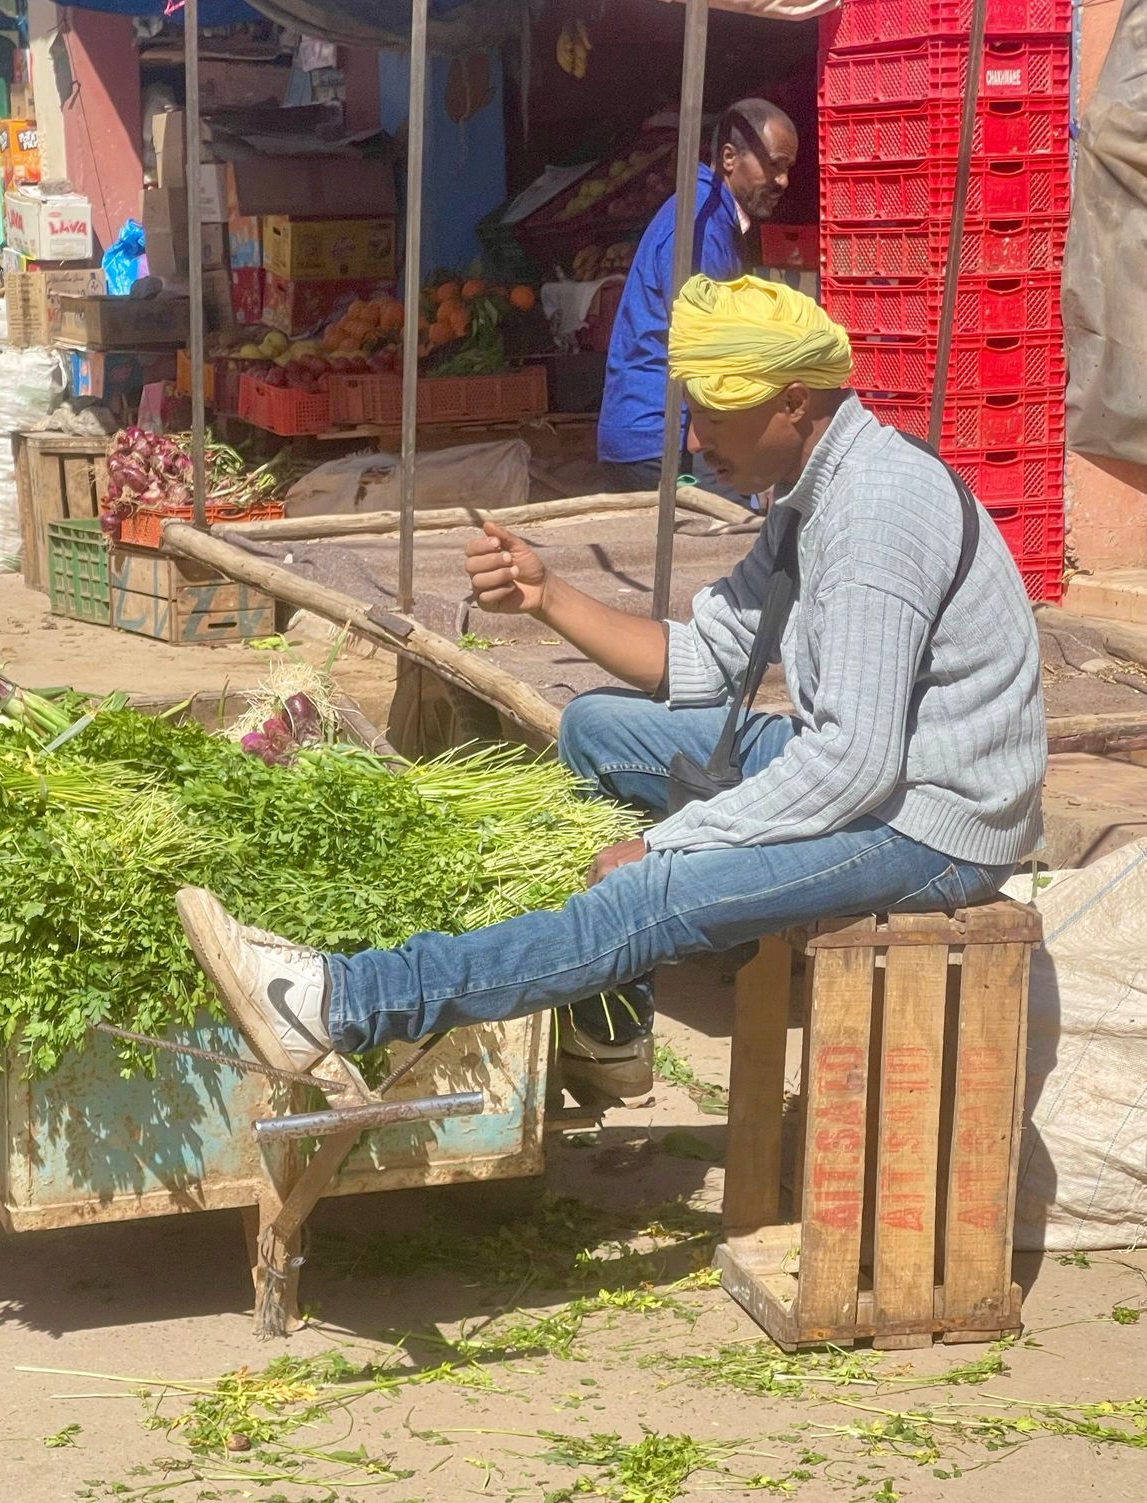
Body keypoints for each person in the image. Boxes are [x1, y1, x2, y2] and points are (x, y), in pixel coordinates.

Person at [176, 275, 1045, 1102]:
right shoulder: (809, 498)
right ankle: (611, 1031)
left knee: (647, 892)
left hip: (930, 822)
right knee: (595, 727)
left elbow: (853, 763)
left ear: (792, 403)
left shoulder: (877, 515)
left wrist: (678, 842)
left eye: (712, 414)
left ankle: (339, 1003)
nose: (696, 439)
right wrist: (546, 594)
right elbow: (705, 659)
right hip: (874, 770)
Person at [597, 97, 798, 498]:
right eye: (774, 165)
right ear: (729, 158)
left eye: (787, 169)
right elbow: (705, 347)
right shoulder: (698, 226)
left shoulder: (714, 216)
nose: (782, 181)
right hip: (660, 437)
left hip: (662, 429)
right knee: (725, 544)